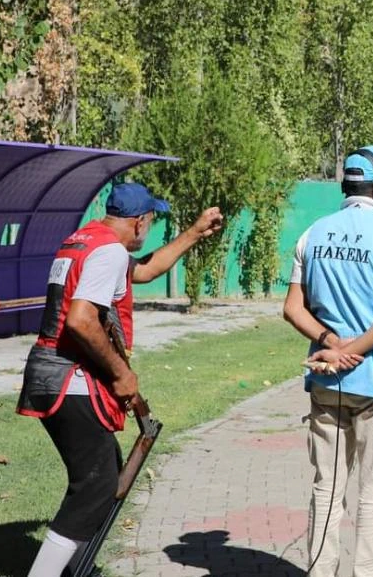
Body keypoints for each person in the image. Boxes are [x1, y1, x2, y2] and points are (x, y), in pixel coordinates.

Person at [17, 182, 223, 577]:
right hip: (69, 378)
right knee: (95, 485)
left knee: (103, 467)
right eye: (150, 221)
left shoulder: (85, 240)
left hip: (48, 371)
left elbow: (144, 270)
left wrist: (194, 232)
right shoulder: (109, 251)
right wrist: (121, 372)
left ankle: (81, 568)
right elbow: (80, 320)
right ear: (139, 221)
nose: (149, 229)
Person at [283, 145, 373, 577]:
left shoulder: (314, 233)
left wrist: (331, 342)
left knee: (326, 490)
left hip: (327, 381)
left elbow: (292, 308)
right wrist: (354, 350)